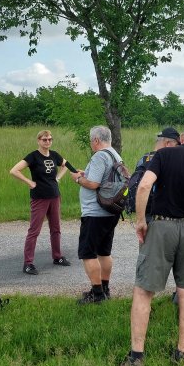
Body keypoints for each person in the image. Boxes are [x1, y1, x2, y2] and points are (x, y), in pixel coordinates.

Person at [120, 123, 184, 366]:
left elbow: (144, 186)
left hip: (161, 226)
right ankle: (182, 355)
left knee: (144, 291)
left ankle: (136, 357)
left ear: (182, 138)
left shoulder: (163, 155)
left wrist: (142, 222)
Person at [69, 125, 123, 304]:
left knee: (88, 253)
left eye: (92, 141)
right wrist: (87, 174)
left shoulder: (100, 155)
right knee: (104, 252)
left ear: (97, 140)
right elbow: (103, 178)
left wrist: (77, 178)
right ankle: (105, 289)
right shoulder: (114, 154)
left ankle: (97, 294)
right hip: (111, 211)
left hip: (95, 212)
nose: (91, 144)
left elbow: (93, 184)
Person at [9, 129, 71, 275]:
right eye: (44, 139)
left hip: (54, 196)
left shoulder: (54, 155)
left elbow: (65, 165)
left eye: (50, 139)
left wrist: (58, 178)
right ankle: (28, 263)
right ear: (39, 141)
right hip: (39, 197)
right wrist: (29, 182)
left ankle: (57, 257)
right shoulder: (33, 156)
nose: (47, 142)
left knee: (56, 228)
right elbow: (14, 170)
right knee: (34, 231)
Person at [130, 127, 181, 220]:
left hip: (145, 211)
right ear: (168, 144)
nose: (179, 148)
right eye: (177, 145)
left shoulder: (143, 158)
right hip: (162, 214)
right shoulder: (167, 160)